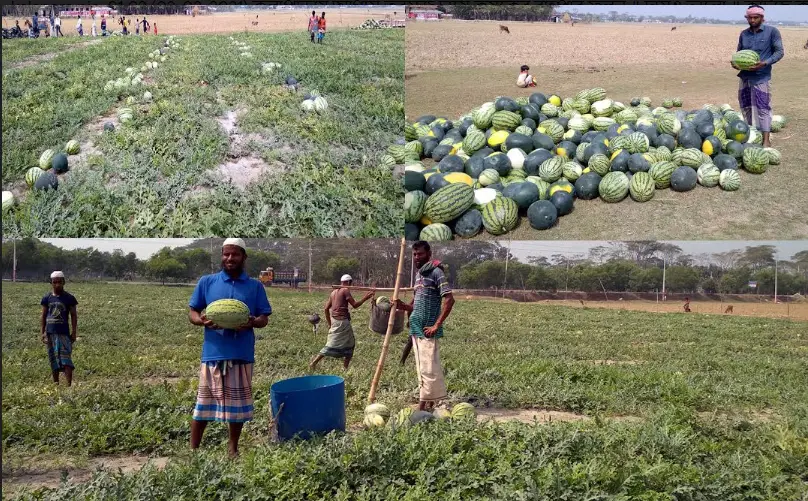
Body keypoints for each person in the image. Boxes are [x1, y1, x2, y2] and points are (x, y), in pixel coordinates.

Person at [188, 238, 272, 458]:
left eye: (234, 254)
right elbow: (193, 312)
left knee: (238, 408)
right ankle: (193, 450)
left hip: (241, 353)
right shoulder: (207, 282)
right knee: (203, 405)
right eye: (226, 254)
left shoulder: (255, 286)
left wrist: (253, 322)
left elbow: (264, 318)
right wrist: (200, 321)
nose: (229, 258)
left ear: (244, 257)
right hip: (213, 352)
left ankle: (233, 448)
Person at [395, 241, 455, 412]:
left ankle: (424, 405)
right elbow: (416, 304)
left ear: (429, 254)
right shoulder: (419, 276)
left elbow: (449, 299)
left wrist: (437, 324)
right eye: (414, 254)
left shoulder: (437, 273)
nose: (416, 257)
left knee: (429, 368)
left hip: (428, 328)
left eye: (420, 254)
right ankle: (428, 402)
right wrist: (402, 305)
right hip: (416, 327)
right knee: (422, 368)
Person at [731, 5, 784, 148]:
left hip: (761, 76)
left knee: (763, 107)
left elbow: (779, 52)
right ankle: (750, 134)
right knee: (746, 106)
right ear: (747, 18)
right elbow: (738, 53)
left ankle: (766, 140)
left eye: (756, 17)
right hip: (745, 76)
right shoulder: (744, 34)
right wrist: (735, 63)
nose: (753, 20)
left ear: (762, 18)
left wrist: (764, 63)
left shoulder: (772, 32)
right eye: (750, 17)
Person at [309, 275, 374, 371]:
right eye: (350, 283)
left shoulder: (333, 292)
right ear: (348, 282)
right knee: (335, 344)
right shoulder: (345, 290)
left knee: (347, 343)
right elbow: (355, 305)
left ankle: (344, 368)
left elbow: (326, 309)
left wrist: (330, 323)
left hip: (335, 321)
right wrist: (366, 297)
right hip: (342, 322)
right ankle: (316, 363)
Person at [41, 271, 79, 386]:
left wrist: (74, 332)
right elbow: (43, 316)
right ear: (51, 283)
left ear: (64, 282)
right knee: (53, 360)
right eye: (55, 282)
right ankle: (55, 384)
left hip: (63, 333)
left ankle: (68, 385)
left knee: (66, 359)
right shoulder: (47, 298)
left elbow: (73, 315)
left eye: (60, 282)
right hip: (50, 333)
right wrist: (42, 332)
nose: (57, 284)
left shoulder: (69, 298)